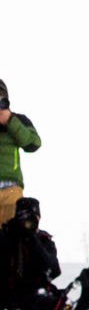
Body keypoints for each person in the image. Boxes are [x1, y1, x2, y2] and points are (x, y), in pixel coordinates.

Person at [0, 197, 69, 310]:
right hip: (8, 290)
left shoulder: (43, 240)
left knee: (52, 299)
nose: (28, 222)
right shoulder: (6, 234)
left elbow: (53, 271)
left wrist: (33, 241)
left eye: (33, 218)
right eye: (24, 218)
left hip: (34, 291)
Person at [0, 79, 43, 224]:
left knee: (11, 235)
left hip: (11, 188)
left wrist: (10, 120)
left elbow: (33, 144)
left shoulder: (17, 120)